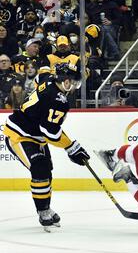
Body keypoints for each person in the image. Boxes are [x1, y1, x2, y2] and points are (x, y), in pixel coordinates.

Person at [2, 63, 90, 232]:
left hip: (36, 135)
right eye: (72, 81)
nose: (73, 86)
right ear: (63, 80)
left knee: (46, 170)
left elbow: (40, 76)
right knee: (40, 168)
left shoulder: (48, 79)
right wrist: (71, 147)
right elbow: (50, 132)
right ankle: (43, 211)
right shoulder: (58, 101)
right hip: (19, 134)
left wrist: (71, 147)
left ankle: (46, 207)